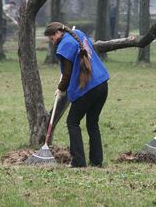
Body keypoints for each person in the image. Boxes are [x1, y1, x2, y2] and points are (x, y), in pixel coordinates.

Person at [44, 22, 109, 168]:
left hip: (88, 88)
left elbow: (66, 74)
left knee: (72, 121)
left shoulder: (64, 46)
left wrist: (61, 89)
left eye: (51, 39)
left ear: (56, 33)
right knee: (92, 123)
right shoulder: (78, 34)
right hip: (102, 83)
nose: (52, 42)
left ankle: (78, 161)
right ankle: (96, 161)